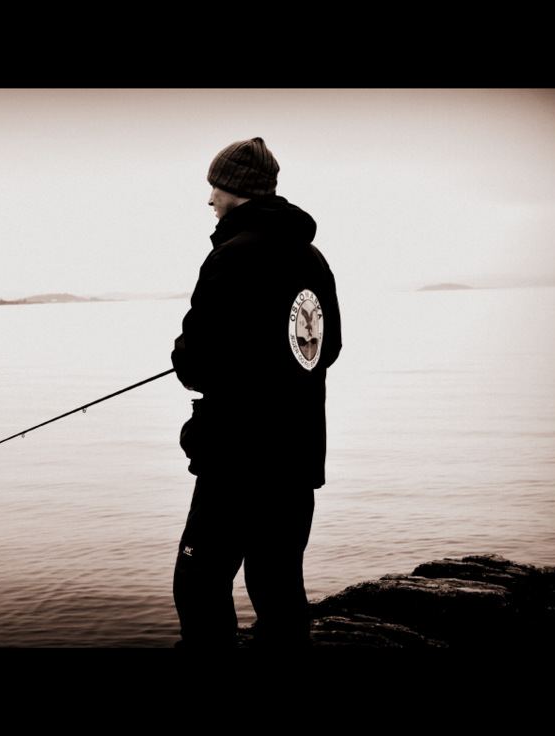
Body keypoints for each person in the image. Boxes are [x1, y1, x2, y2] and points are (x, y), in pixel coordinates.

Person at [171, 137, 342, 648]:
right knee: (278, 584)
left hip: (238, 458)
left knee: (198, 582)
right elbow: (325, 349)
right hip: (297, 455)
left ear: (236, 191)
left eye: (215, 189)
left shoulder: (234, 256)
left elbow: (194, 362)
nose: (210, 201)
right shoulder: (312, 258)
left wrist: (192, 362)